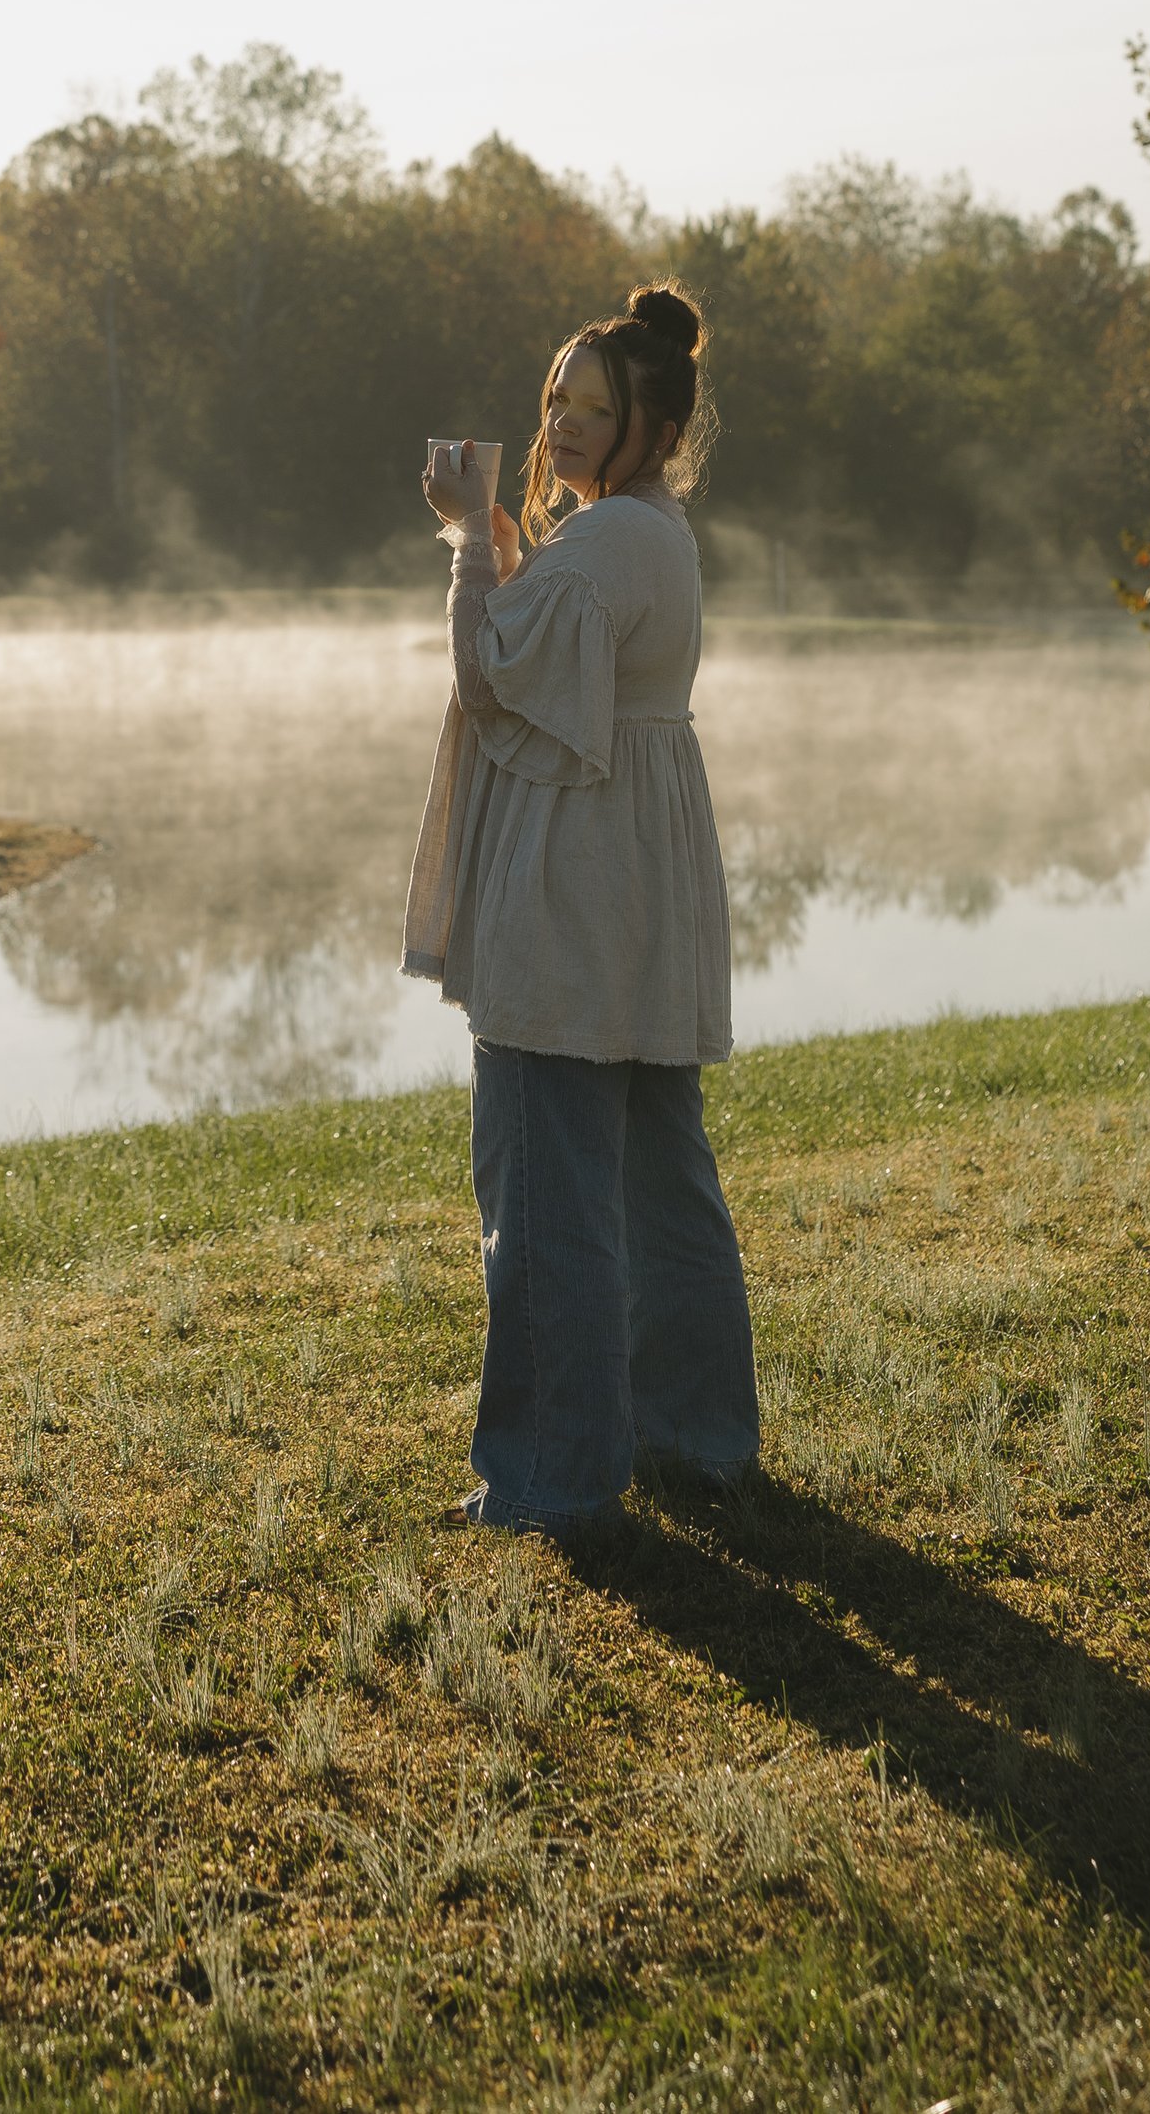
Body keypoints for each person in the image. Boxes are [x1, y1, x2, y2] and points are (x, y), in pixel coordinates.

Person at [403, 281, 758, 1532]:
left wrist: (462, 541)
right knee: (660, 1178)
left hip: (576, 877)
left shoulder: (608, 540)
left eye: (589, 407)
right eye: (554, 397)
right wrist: (506, 540)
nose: (559, 421)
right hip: (639, 873)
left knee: (546, 1195)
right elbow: (554, 647)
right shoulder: (644, 530)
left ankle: (552, 1479)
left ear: (651, 429)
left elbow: (498, 675)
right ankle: (697, 1439)